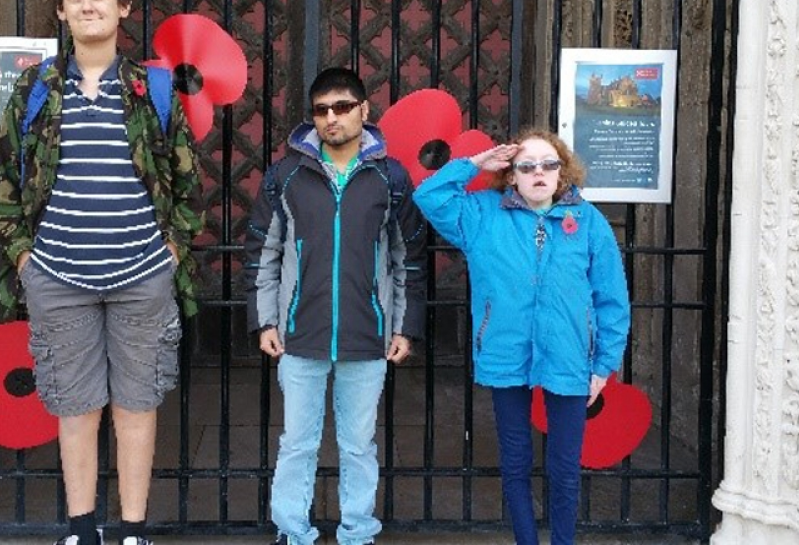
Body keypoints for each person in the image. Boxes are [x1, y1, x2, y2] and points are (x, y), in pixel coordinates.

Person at [0, 0, 204, 545]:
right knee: (76, 407)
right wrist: (25, 259)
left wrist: (170, 254)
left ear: (123, 7)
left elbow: (186, 183)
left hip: (142, 276)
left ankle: (132, 530)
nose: (89, 6)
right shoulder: (36, 89)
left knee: (136, 406)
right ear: (61, 11)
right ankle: (83, 530)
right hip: (58, 278)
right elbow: (4, 179)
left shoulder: (151, 89)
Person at [413, 128, 630, 545]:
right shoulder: (483, 214)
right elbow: (430, 196)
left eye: (549, 164)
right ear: (511, 175)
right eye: (526, 166)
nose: (538, 173)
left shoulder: (587, 221)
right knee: (515, 462)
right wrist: (476, 164)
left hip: (569, 355)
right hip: (505, 350)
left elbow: (612, 299)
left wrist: (603, 365)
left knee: (565, 468)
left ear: (562, 171)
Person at [245, 67, 428, 545]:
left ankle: (357, 530)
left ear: (364, 110)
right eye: (322, 110)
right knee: (297, 443)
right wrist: (264, 320)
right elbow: (263, 251)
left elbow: (408, 257)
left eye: (343, 107)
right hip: (300, 332)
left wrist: (404, 326)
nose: (332, 118)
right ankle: (292, 530)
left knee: (358, 445)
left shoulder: (390, 177)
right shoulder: (287, 175)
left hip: (367, 333)